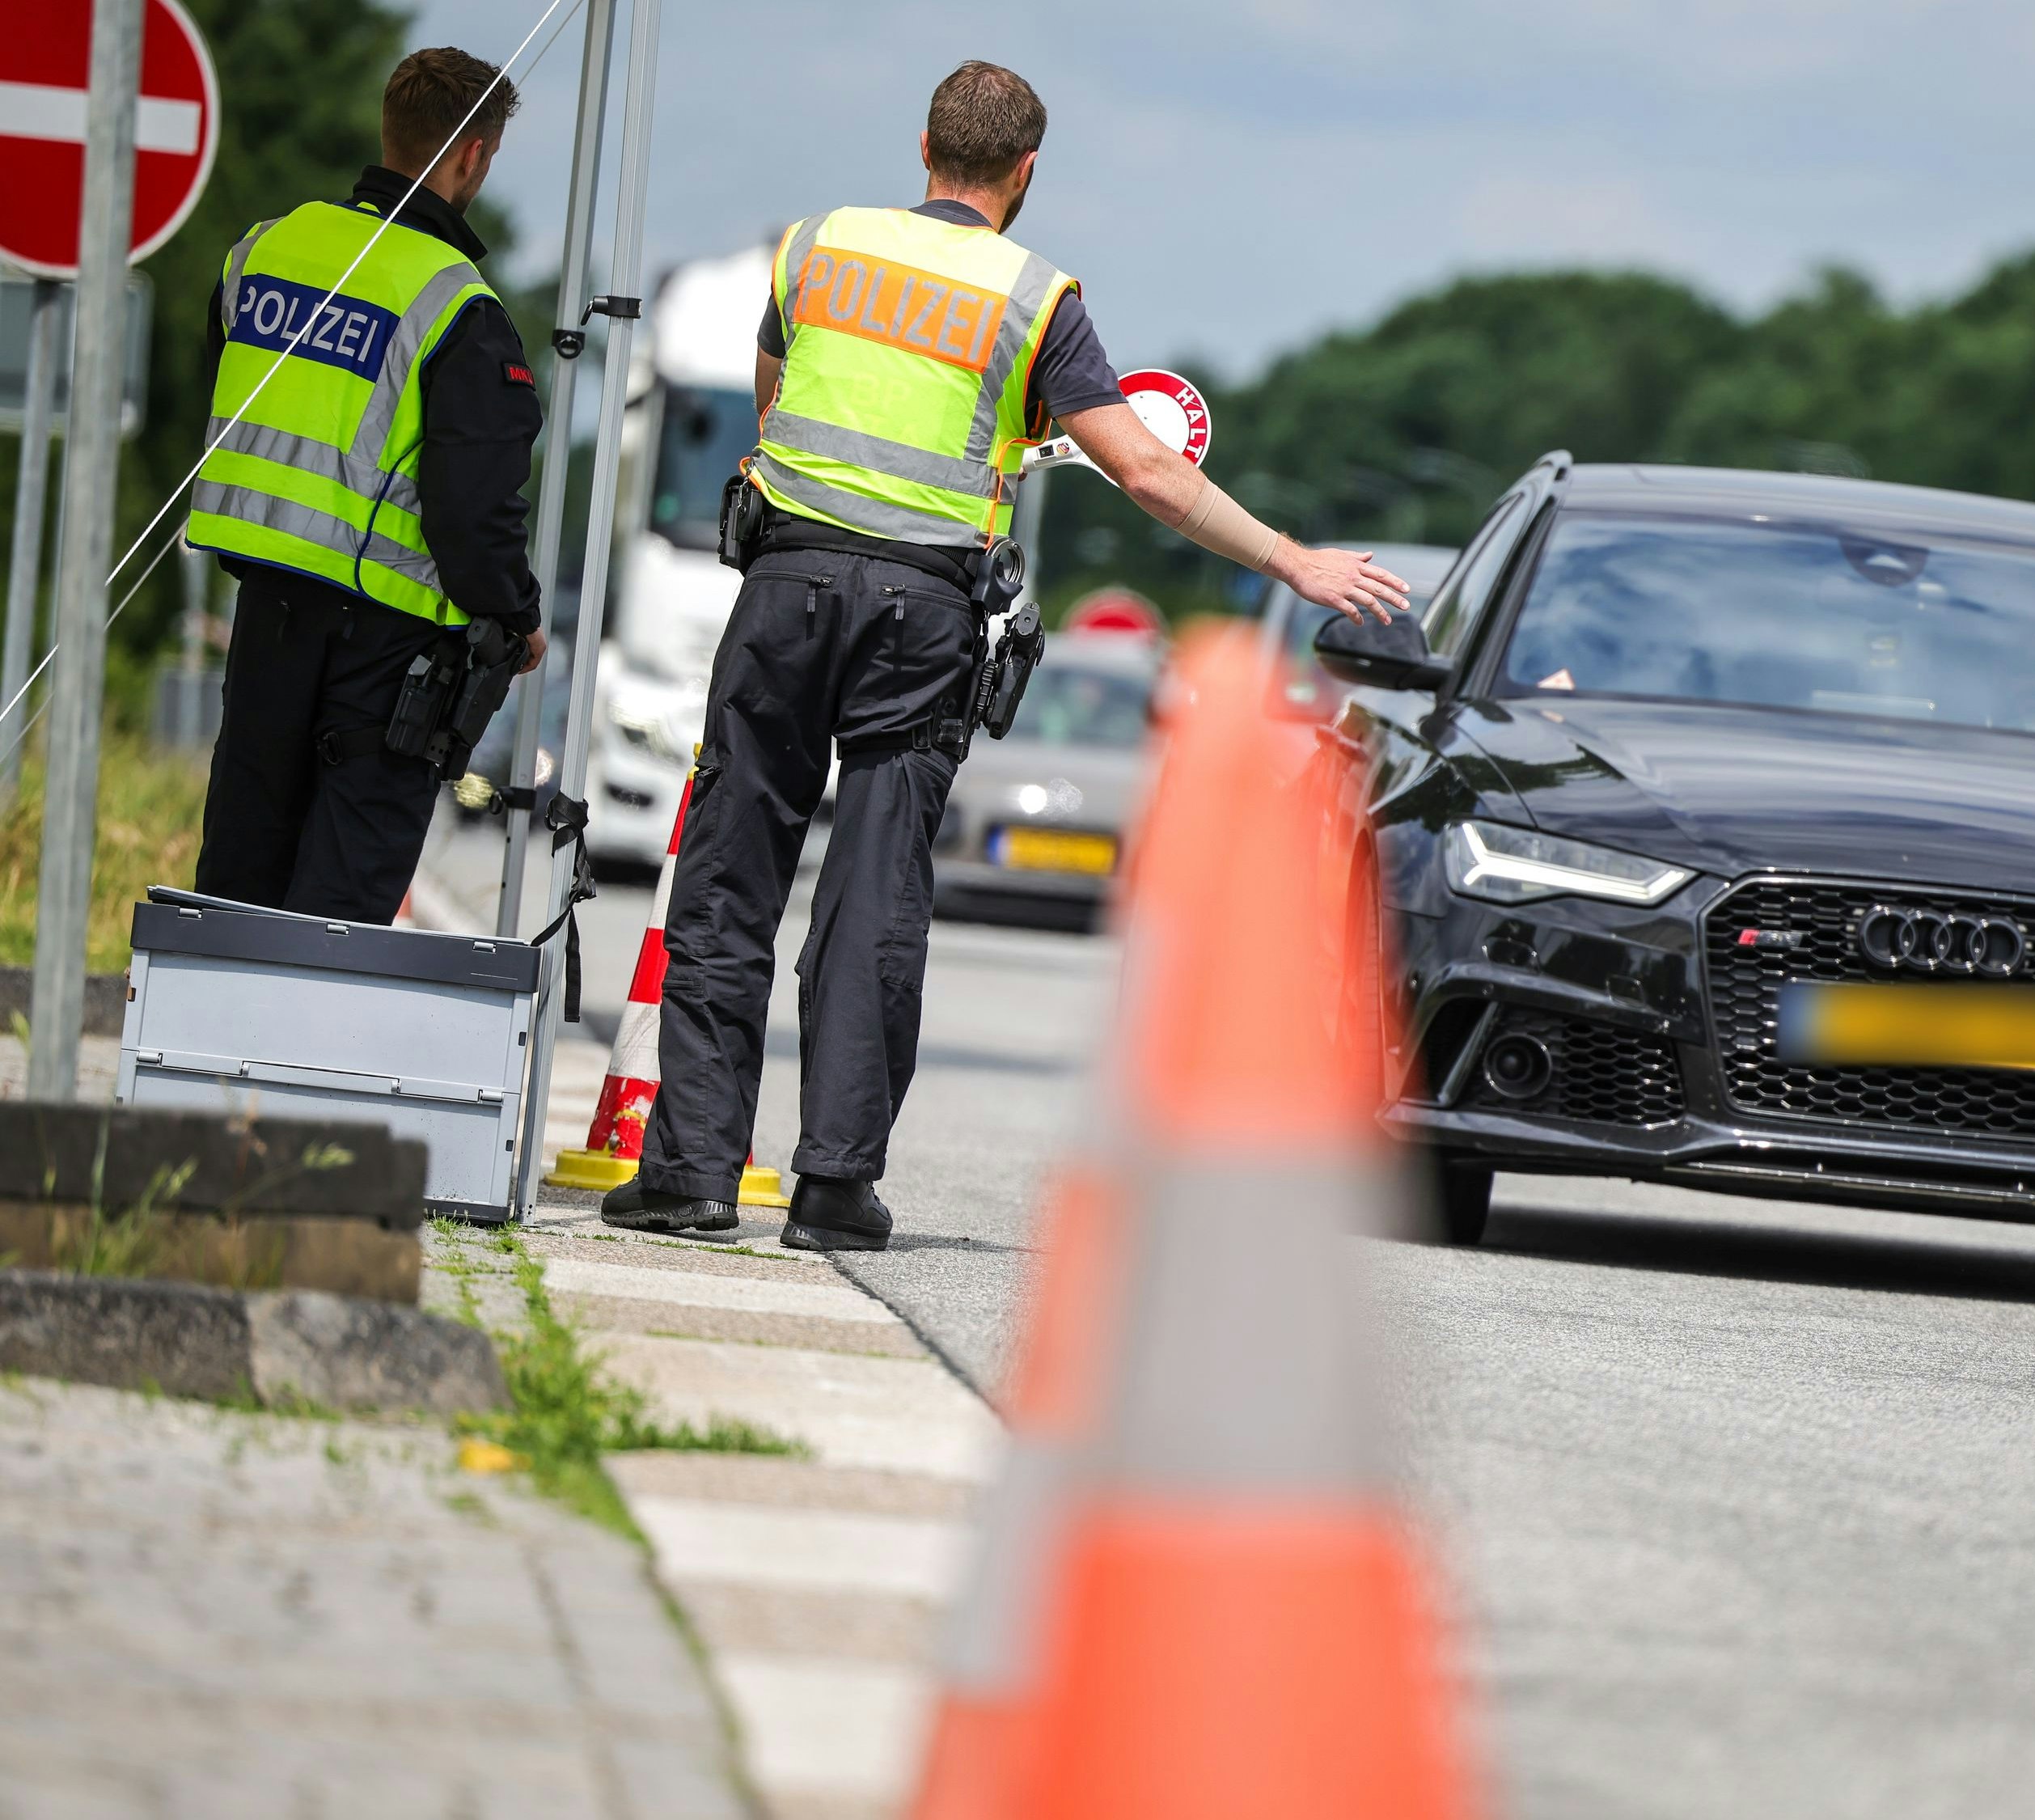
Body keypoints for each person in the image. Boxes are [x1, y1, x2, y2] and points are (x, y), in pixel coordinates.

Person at [601, 61, 1407, 1249]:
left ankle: (690, 1174)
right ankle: (831, 1190)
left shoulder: (816, 247)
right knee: (875, 894)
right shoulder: (1035, 298)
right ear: (1026, 171)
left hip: (785, 588)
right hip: (918, 618)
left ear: (924, 143)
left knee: (730, 880)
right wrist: (1293, 560)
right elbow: (1146, 470)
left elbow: (776, 401)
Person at [184, 48, 546, 921]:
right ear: (473, 157)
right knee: (341, 908)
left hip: (266, 615)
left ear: (391, 130)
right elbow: (472, 514)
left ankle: (220, 1017)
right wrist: (519, 615)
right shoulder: (459, 306)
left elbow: (218, 397)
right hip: (389, 657)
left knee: (239, 880)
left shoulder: (264, 250)